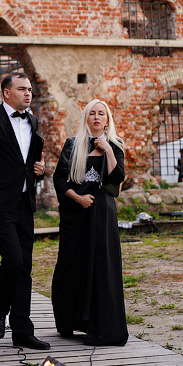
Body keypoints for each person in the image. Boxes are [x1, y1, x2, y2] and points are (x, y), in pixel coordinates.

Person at [0, 72, 48, 350]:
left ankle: (23, 331)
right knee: (13, 261)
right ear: (6, 93)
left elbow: (28, 162)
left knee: (24, 267)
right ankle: (0, 310)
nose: (28, 94)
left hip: (25, 203)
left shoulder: (33, 120)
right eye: (22, 89)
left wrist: (39, 170)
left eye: (30, 89)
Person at [51, 99, 128, 347]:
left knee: (102, 265)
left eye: (101, 114)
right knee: (72, 263)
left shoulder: (115, 145)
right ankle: (69, 321)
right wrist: (78, 198)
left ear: (107, 119)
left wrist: (107, 150)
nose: (96, 117)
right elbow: (59, 179)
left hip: (103, 215)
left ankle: (100, 325)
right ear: (86, 117)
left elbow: (117, 177)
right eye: (92, 113)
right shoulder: (72, 145)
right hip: (76, 214)